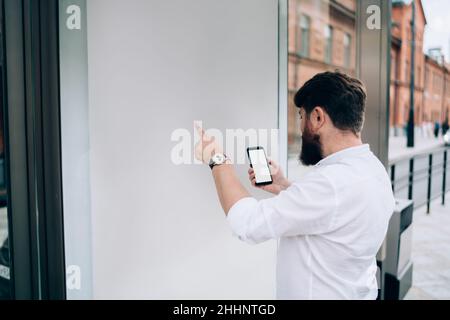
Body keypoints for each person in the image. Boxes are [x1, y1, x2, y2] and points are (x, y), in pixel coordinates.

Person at [195, 71, 395, 300]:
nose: (300, 126)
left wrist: (217, 160)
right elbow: (333, 214)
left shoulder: (330, 183)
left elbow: (247, 223)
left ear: (318, 118)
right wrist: (284, 186)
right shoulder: (374, 169)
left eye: (301, 116)